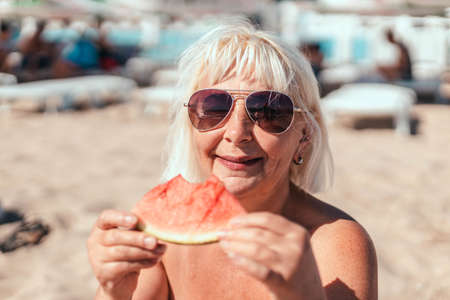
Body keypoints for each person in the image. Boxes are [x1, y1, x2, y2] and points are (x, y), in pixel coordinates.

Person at [87, 20, 377, 300]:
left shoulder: (334, 242)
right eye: (214, 107)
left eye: (268, 111)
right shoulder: (164, 236)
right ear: (190, 124)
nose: (237, 133)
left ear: (304, 136)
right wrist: (114, 293)